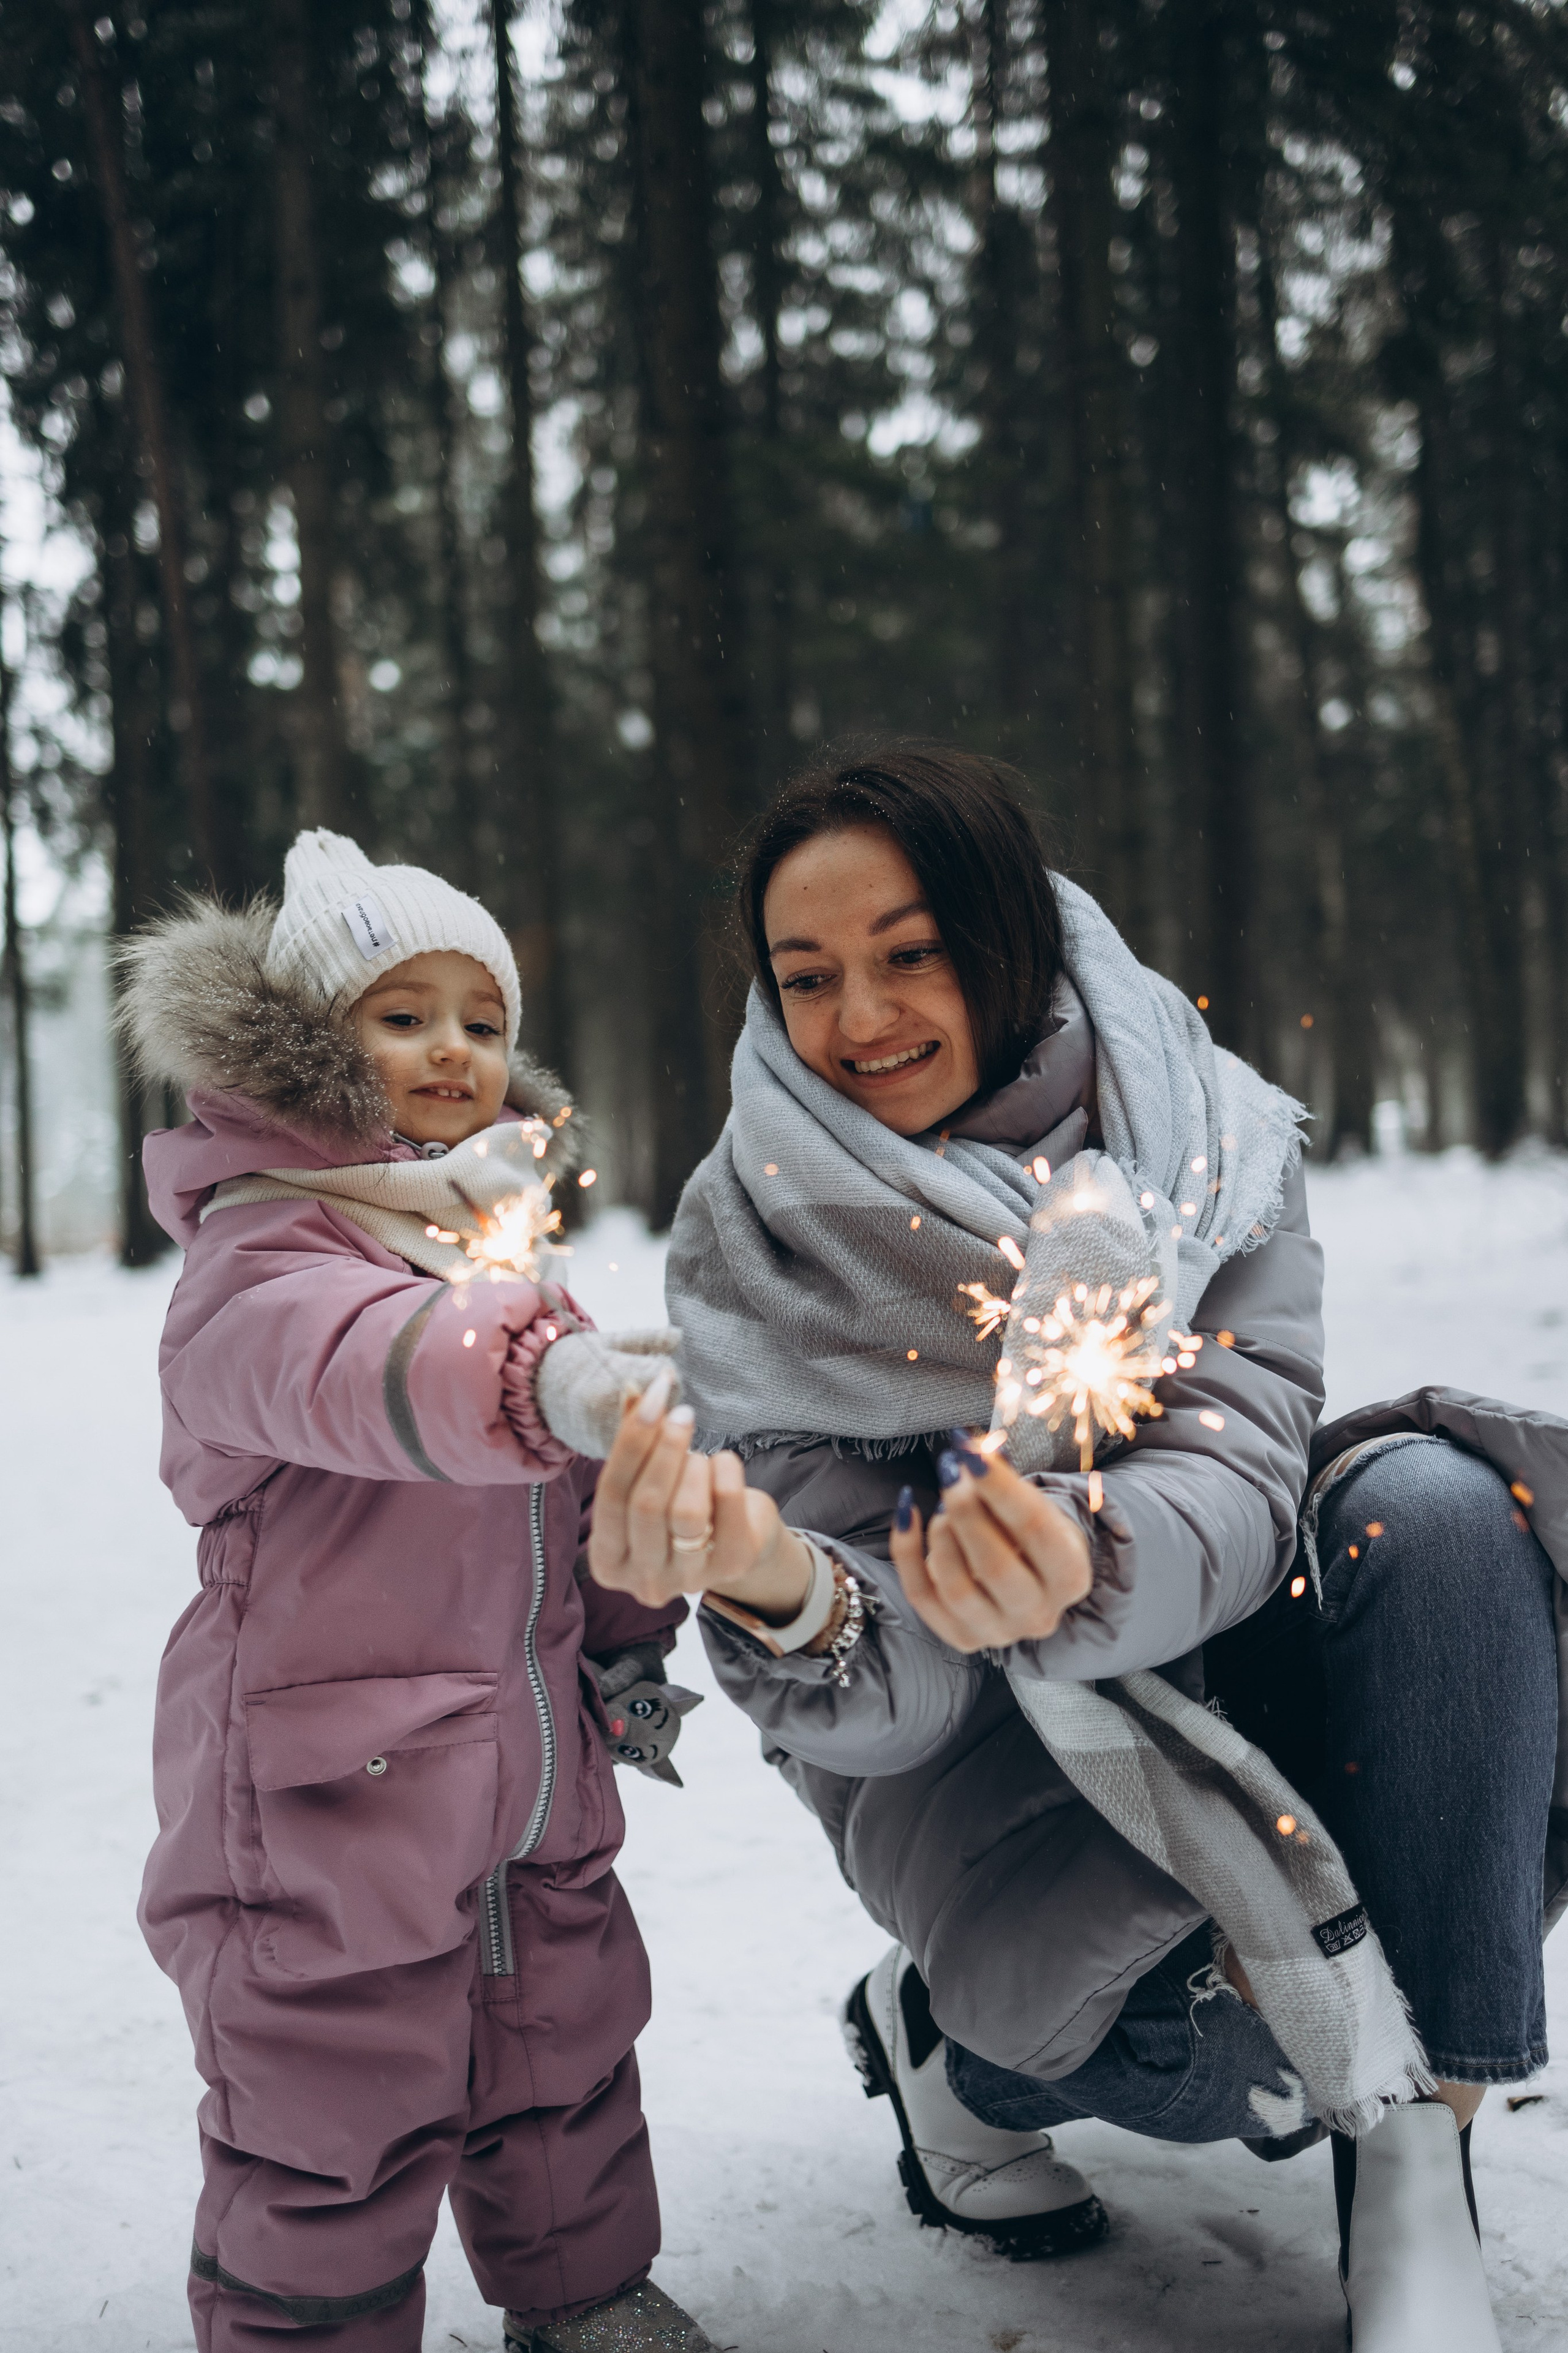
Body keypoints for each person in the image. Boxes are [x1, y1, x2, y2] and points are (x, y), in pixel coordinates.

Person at [587, 744, 1566, 2353]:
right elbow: (882, 1700)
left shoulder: (1206, 1146)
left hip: (1228, 1660)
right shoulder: (760, 1254)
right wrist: (782, 1583)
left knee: (1448, 1510)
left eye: (910, 952)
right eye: (808, 974)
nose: (861, 1016)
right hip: (1021, 1802)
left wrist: (1086, 1552)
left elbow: (1247, 1480)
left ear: (1008, 938)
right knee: (1157, 2031)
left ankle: (1416, 2153)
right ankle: (947, 2045)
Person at [121, 829, 720, 2353]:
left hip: (532, 1773)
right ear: (313, 1045)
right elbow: (357, 1367)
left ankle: (583, 2289)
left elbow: (579, 1497)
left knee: (562, 2048)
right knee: (330, 2090)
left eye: (482, 1016)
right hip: (331, 1789)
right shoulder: (258, 1250)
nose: (452, 1047)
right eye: (403, 1014)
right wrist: (539, 1371)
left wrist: (630, 1645)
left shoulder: (505, 1252)